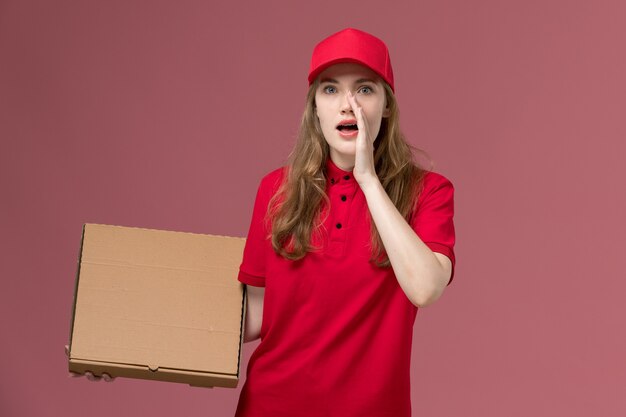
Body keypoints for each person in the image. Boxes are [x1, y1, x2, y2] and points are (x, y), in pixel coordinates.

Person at [236, 28, 456, 417]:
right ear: (314, 107)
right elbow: (254, 316)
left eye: (365, 90)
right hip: (270, 407)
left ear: (386, 105)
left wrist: (369, 180)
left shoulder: (429, 192)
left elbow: (425, 288)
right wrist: (129, 346)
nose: (347, 105)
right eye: (331, 89)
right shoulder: (275, 189)